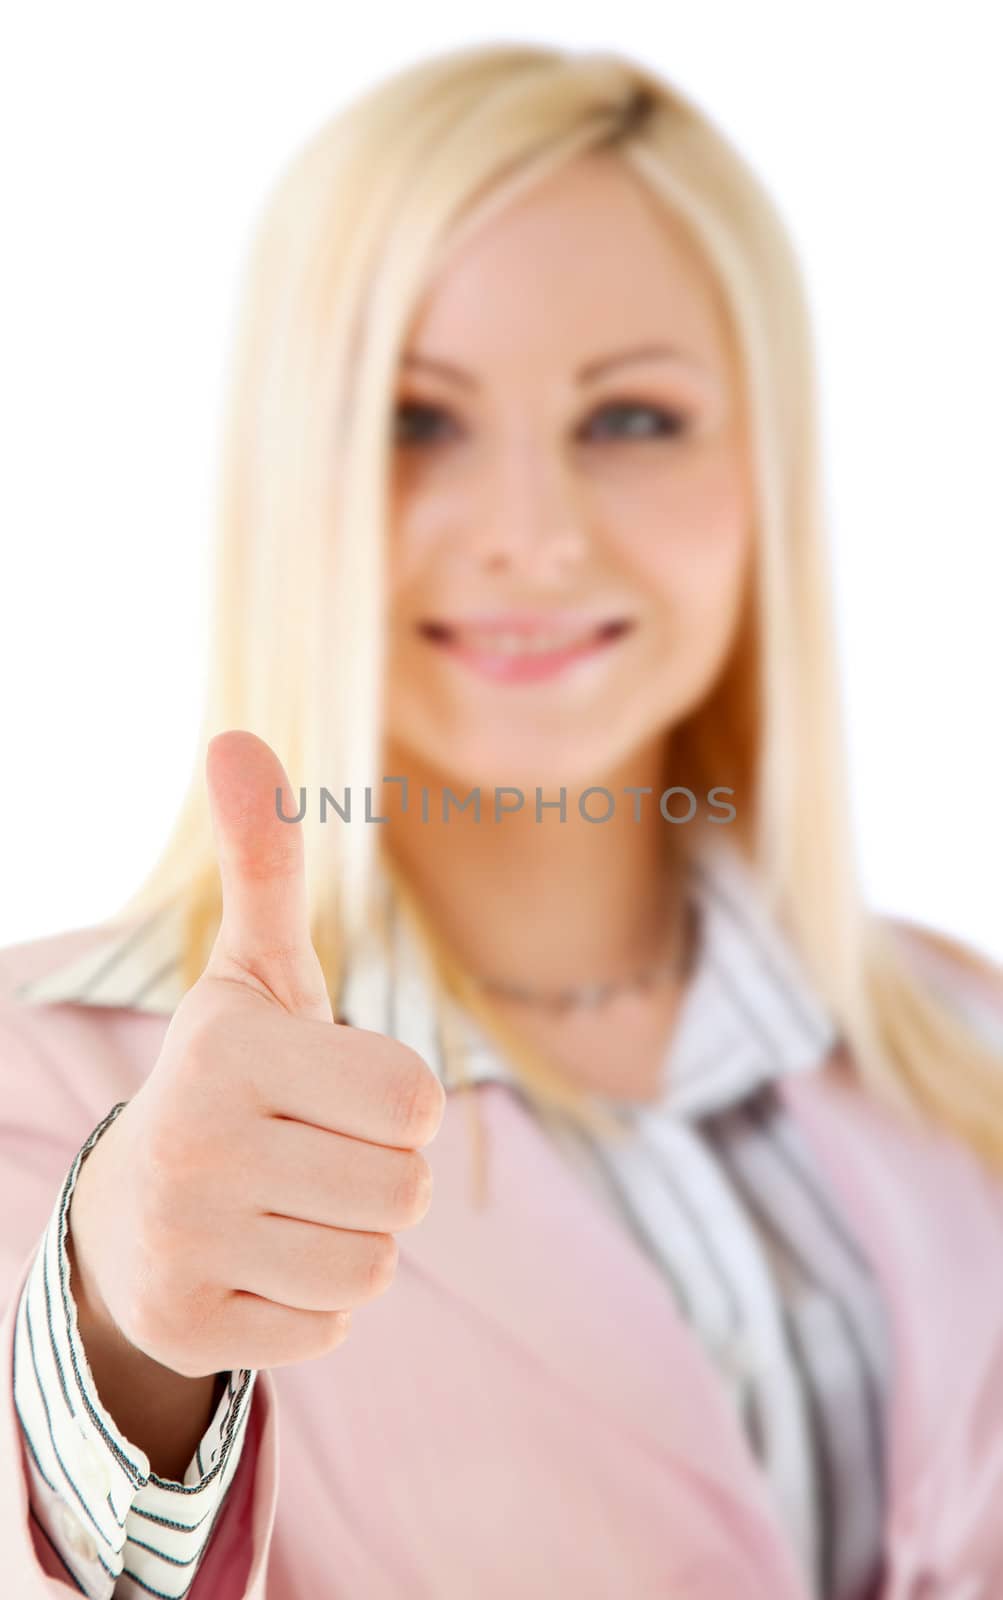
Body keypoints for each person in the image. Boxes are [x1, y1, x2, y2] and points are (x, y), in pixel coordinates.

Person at [2, 38, 1002, 1600]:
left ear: (767, 472)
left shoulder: (966, 1038)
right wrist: (121, 1329)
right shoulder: (47, 1079)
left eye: (633, 420)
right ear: (293, 482)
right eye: (416, 421)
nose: (533, 537)